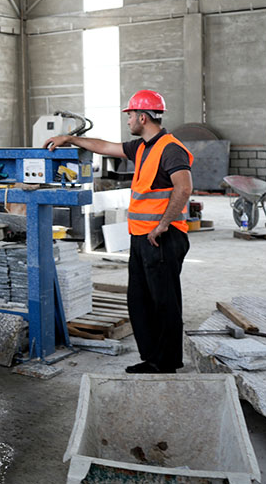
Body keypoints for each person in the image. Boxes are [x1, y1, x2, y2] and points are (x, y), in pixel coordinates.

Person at [44, 90, 193, 374]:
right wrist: (70, 138)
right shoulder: (142, 147)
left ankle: (166, 362)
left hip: (162, 237)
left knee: (164, 302)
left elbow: (184, 188)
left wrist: (162, 225)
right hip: (142, 237)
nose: (128, 121)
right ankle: (152, 358)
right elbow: (105, 146)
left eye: (130, 116)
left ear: (143, 116)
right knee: (140, 301)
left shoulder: (170, 148)